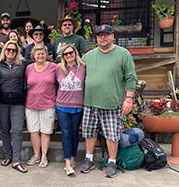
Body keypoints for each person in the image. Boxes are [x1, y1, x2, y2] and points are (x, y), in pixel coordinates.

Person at [80, 24, 136, 178]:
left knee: (112, 134)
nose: (102, 38)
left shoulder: (123, 54)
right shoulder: (88, 56)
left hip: (111, 103)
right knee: (89, 132)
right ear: (96, 38)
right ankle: (89, 159)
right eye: (100, 35)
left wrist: (129, 99)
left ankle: (112, 162)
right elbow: (76, 72)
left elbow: (131, 77)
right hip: (90, 102)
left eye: (106, 35)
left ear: (113, 36)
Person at [0, 40, 29, 173]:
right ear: (4, 51)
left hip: (17, 103)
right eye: (8, 49)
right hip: (2, 102)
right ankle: (7, 155)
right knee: (4, 130)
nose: (10, 52)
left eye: (13, 50)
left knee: (17, 130)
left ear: (17, 52)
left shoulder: (23, 64)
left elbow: (40, 63)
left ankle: (17, 160)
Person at [55, 44, 86, 176]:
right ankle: (67, 162)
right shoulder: (58, 68)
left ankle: (73, 157)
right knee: (66, 133)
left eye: (70, 53)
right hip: (62, 105)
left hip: (77, 105)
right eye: (65, 54)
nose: (68, 55)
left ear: (75, 53)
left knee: (74, 133)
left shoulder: (83, 67)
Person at [25, 45, 57, 168]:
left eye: (43, 54)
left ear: (47, 55)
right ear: (33, 56)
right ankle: (36, 155)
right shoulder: (28, 68)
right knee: (33, 132)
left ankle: (44, 156)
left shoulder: (53, 67)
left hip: (48, 104)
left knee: (45, 132)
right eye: (38, 54)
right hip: (31, 104)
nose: (40, 56)